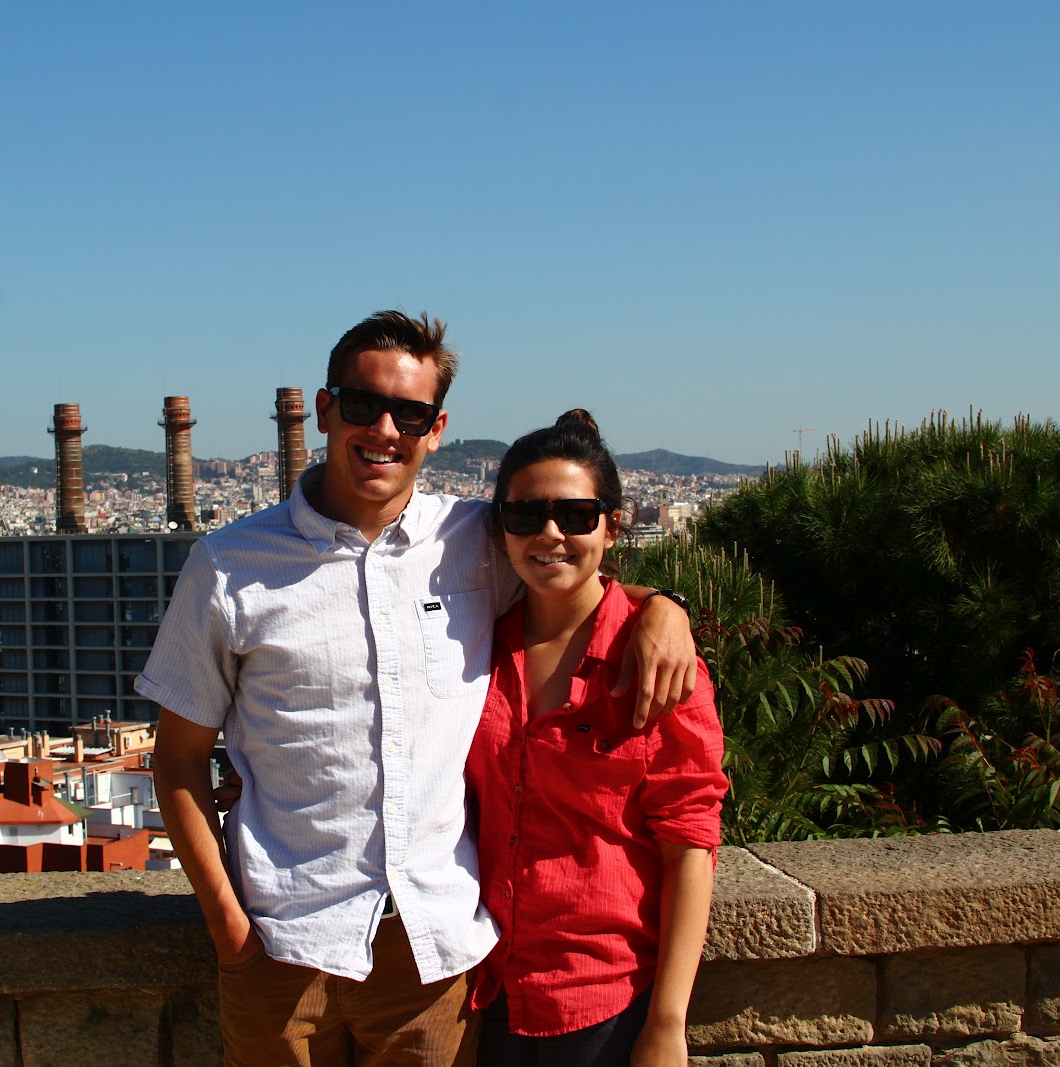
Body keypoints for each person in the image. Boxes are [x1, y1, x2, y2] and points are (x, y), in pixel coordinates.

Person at [138, 311, 697, 1066]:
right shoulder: (229, 565)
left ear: (436, 430)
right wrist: (229, 930)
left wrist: (664, 607)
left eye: (410, 414)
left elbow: (570, 566)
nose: (385, 430)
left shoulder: (474, 540)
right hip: (282, 942)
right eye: (364, 404)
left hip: (431, 954)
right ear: (325, 409)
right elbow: (177, 758)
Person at [467, 410, 728, 1067]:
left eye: (576, 515)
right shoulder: (474, 648)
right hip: (485, 989)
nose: (550, 533)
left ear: (612, 526)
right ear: (500, 530)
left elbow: (690, 847)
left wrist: (667, 1024)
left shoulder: (657, 664)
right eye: (526, 515)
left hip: (605, 1003)